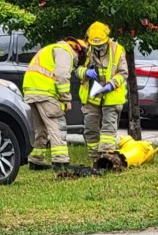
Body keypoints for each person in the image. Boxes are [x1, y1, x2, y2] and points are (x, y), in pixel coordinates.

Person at [22, 36, 87, 168]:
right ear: (78, 51)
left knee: (41, 128)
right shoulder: (65, 51)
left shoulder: (52, 49)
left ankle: (36, 160)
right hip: (46, 92)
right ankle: (61, 161)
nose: (77, 62)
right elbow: (62, 75)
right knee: (57, 125)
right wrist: (66, 98)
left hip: (32, 92)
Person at [76, 21, 129, 163]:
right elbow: (77, 69)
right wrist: (86, 72)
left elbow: (123, 73)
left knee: (107, 131)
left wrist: (111, 85)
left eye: (101, 45)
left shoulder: (117, 50)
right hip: (92, 97)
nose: (98, 48)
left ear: (107, 40)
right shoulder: (86, 50)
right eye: (96, 46)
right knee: (90, 129)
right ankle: (95, 160)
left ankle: (106, 160)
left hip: (111, 96)